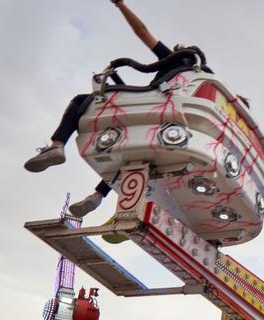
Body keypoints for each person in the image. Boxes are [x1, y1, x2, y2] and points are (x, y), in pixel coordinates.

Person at [24, 0, 209, 219]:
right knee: (131, 154)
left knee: (82, 102)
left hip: (152, 112)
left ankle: (57, 145)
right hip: (180, 131)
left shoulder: (173, 61)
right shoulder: (207, 80)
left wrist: (120, 4)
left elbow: (142, 32)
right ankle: (98, 196)